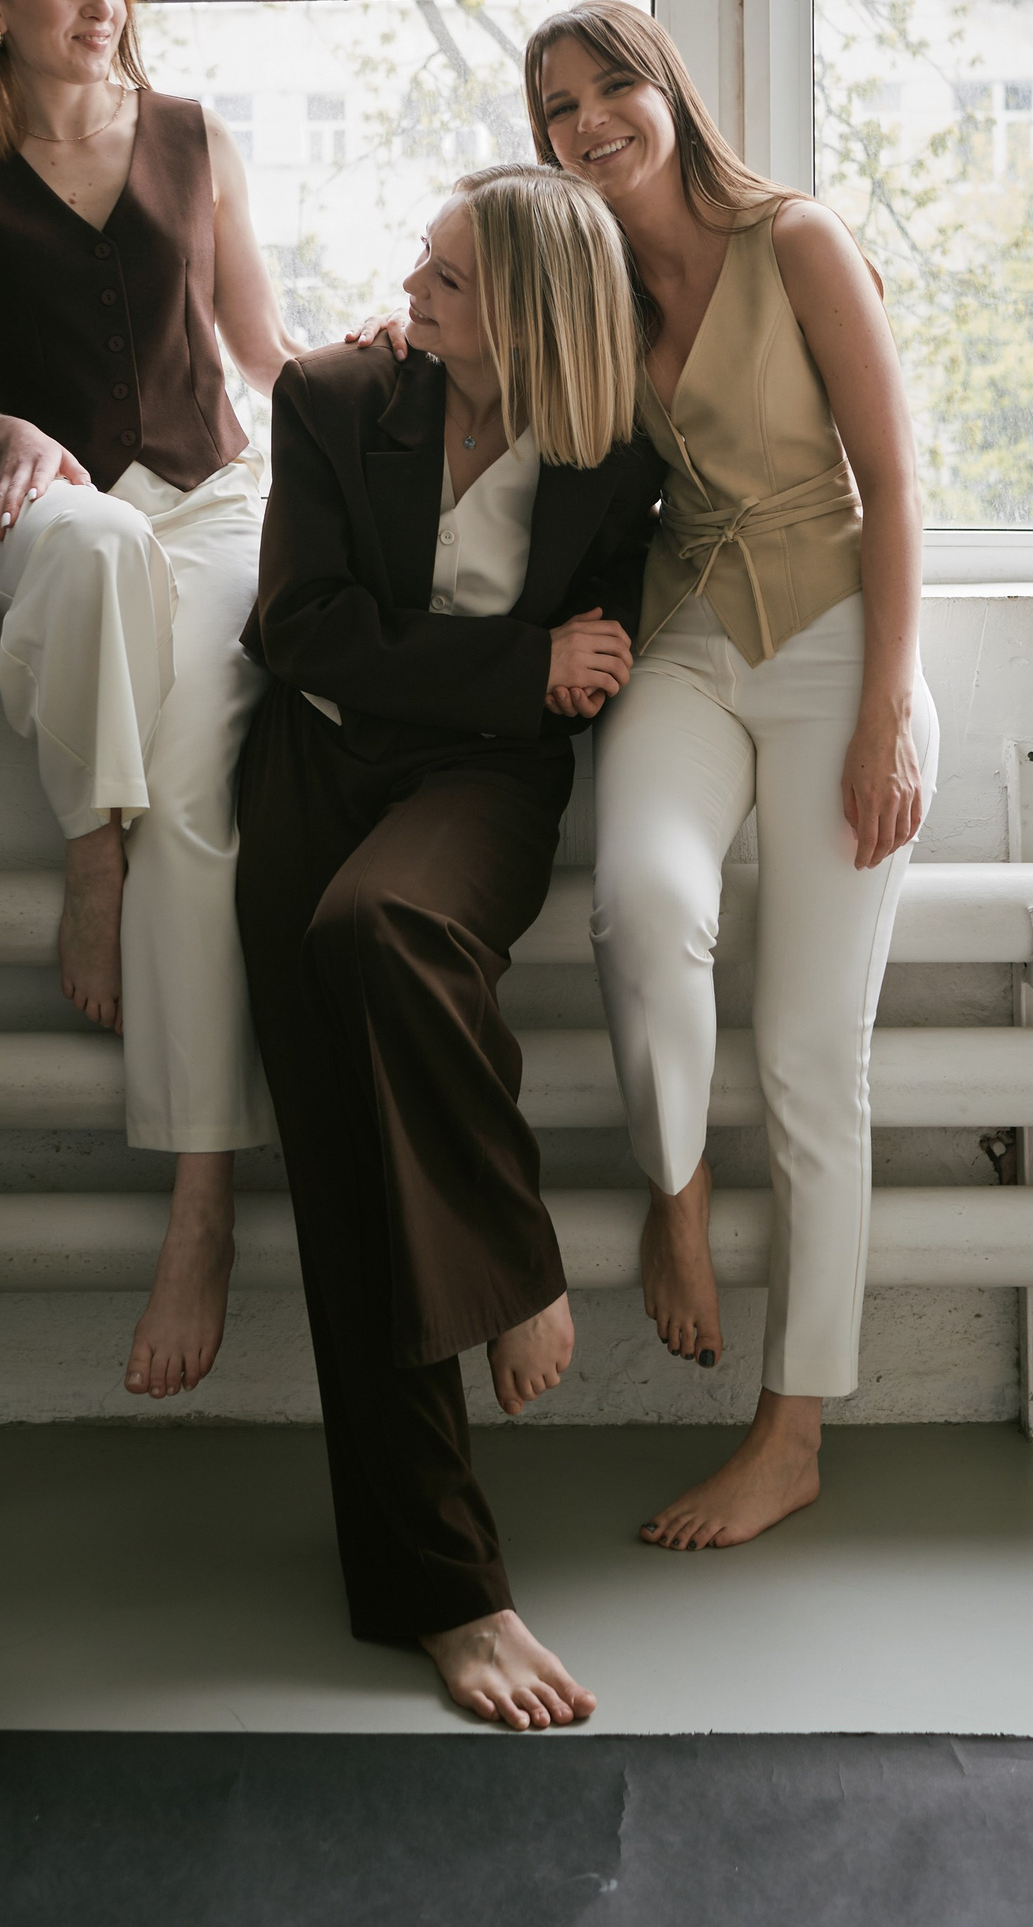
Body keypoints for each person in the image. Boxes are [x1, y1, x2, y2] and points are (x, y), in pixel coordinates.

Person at [236, 165, 665, 1729]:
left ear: (533, 311)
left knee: (384, 926)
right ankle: (449, 1593)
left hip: (482, 785)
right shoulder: (335, 398)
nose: (409, 294)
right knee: (348, 1165)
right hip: (320, 766)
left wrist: (541, 677)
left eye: (446, 280)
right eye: (419, 267)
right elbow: (300, 628)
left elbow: (596, 668)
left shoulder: (617, 453)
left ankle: (507, 1257)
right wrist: (517, 662)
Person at [525, 0, 940, 1552]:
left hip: (840, 648)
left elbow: (894, 482)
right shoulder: (590, 290)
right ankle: (679, 1194)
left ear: (667, 90)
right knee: (641, 903)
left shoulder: (797, 241)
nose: (588, 124)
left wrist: (888, 711)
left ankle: (791, 1433)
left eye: (609, 88)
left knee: (816, 1057)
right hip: (687, 639)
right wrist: (387, 339)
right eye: (557, 108)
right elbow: (489, 385)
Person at [0, 0, 303, 1404]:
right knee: (92, 546)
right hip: (49, 499)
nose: (102, 8)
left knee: (202, 806)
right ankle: (94, 854)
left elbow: (262, 348)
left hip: (214, 502)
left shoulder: (194, 138)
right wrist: (7, 432)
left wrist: (401, 379)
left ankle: (201, 1206)